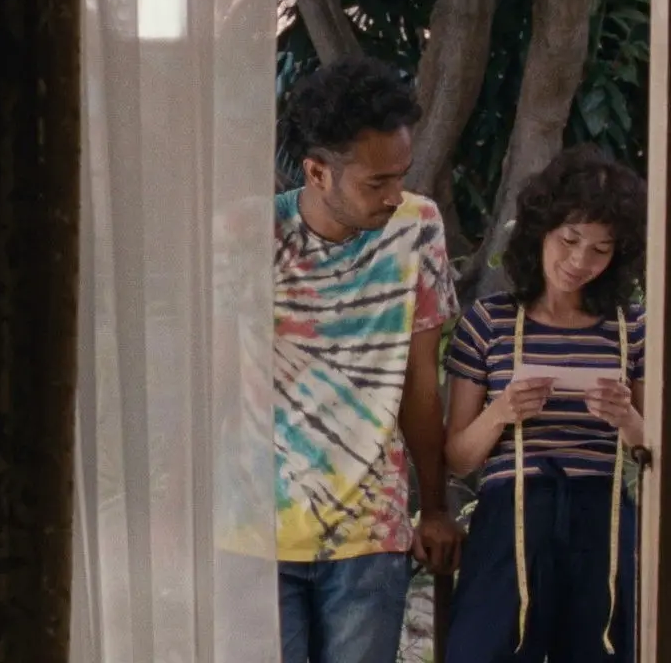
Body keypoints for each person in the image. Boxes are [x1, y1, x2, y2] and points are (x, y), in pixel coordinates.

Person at [273, 55, 462, 663]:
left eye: (400, 176)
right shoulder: (250, 236)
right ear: (317, 172)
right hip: (256, 528)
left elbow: (421, 383)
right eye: (375, 183)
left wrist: (434, 508)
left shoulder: (418, 226)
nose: (393, 196)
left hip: (371, 530)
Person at [442, 144, 649, 663]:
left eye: (601, 250)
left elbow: (653, 452)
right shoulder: (488, 322)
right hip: (510, 516)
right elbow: (459, 457)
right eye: (570, 240)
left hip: (602, 518)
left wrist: (627, 418)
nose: (580, 261)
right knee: (483, 650)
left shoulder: (632, 328)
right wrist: (501, 412)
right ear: (540, 231)